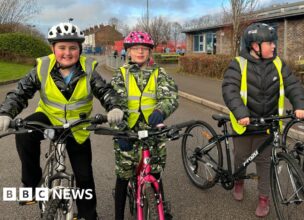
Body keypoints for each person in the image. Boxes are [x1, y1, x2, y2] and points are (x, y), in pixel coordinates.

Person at [0, 22, 124, 220]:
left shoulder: (89, 68)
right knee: (24, 134)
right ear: (53, 49)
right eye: (62, 47)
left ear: (79, 49)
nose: (67, 52)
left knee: (84, 177)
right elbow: (20, 92)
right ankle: (31, 186)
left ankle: (88, 215)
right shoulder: (42, 67)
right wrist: (6, 112)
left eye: (73, 48)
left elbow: (105, 91)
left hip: (78, 126)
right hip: (47, 119)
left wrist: (114, 107)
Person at [222, 23, 304, 217]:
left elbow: (293, 85)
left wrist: (301, 105)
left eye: (273, 43)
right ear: (254, 46)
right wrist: (240, 113)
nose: (274, 47)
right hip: (244, 124)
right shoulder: (238, 63)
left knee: (265, 163)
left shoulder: (278, 63)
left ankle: (264, 198)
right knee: (241, 158)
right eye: (269, 43)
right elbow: (230, 89)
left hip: (269, 124)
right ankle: (239, 181)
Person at [110, 31, 178, 220]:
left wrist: (161, 111)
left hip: (152, 131)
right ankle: (118, 215)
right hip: (128, 132)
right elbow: (115, 103)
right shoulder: (121, 74)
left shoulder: (159, 73)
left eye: (144, 48)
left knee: (155, 172)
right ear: (128, 52)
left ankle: (161, 207)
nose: (140, 51)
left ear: (149, 52)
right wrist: (121, 131)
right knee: (124, 174)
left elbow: (171, 96)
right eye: (135, 48)